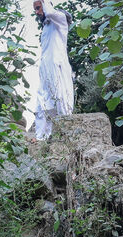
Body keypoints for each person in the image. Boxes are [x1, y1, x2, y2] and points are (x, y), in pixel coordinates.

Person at [33, 0, 74, 140]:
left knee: (60, 98)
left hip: (58, 67)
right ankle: (41, 137)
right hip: (45, 69)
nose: (37, 12)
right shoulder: (46, 27)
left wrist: (44, 2)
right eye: (35, 9)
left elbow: (50, 12)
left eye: (38, 8)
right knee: (42, 102)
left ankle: (65, 135)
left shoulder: (60, 20)